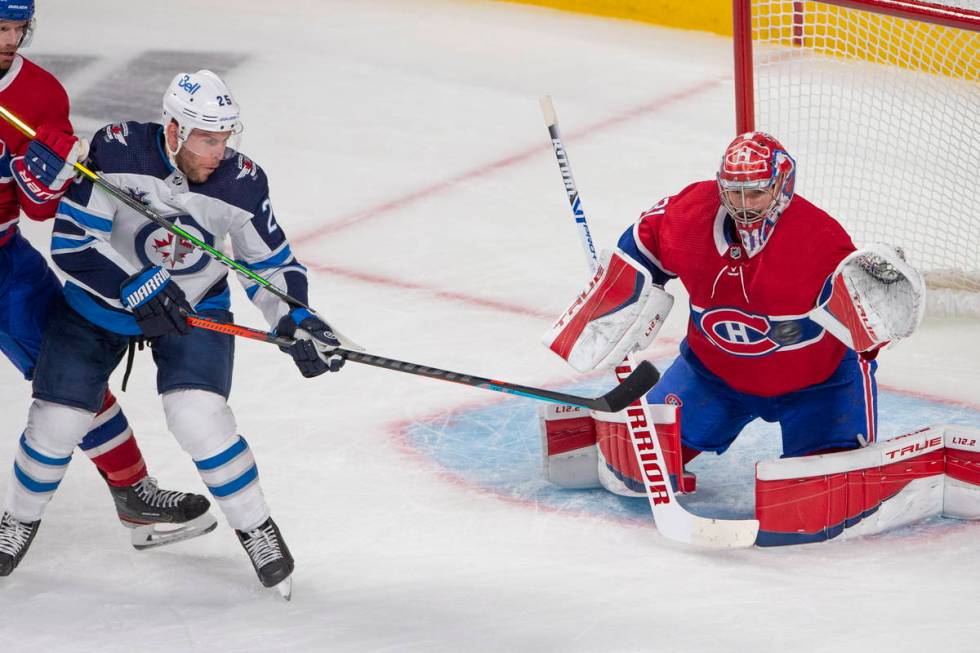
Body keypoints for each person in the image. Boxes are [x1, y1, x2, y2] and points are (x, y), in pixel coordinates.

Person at [0, 68, 346, 595]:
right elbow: (71, 244)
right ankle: (20, 519)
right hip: (97, 308)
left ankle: (257, 528)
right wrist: (134, 285)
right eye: (207, 139)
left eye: (225, 138)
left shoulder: (243, 182)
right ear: (174, 131)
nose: (218, 152)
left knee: (199, 418)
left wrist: (297, 318)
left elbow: (270, 265)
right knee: (56, 421)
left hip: (192, 309)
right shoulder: (116, 153)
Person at [542, 131, 925, 497]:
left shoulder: (819, 241)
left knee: (818, 495)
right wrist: (619, 296)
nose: (743, 204)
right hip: (713, 376)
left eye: (756, 192)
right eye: (734, 191)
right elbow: (644, 241)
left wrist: (878, 316)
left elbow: (867, 335)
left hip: (818, 386)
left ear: (781, 184)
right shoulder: (690, 215)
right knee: (630, 464)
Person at [0, 0, 216, 576]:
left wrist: (39, 182)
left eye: (18, 28)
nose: (10, 39)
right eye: (1, 28)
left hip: (4, 259)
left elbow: (41, 212)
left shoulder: (41, 95)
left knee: (65, 375)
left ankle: (134, 497)